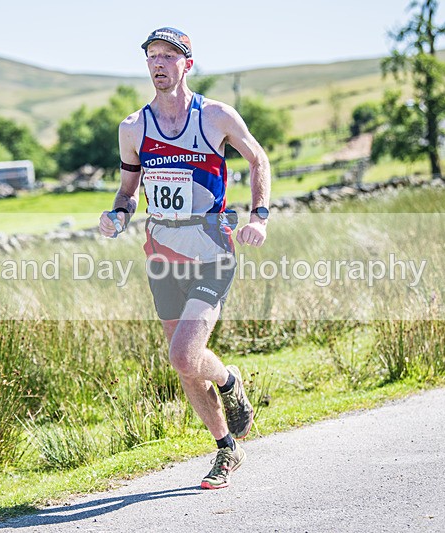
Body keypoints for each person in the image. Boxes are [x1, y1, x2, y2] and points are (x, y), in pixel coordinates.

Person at [98, 27, 271, 490]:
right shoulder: (134, 128)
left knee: (184, 353)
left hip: (212, 251)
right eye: (152, 56)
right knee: (182, 364)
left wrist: (260, 216)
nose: (159, 64)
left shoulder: (215, 117)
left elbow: (258, 160)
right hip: (162, 256)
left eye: (169, 57)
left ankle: (230, 381)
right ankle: (226, 449)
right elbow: (128, 192)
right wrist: (117, 214)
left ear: (187, 65)